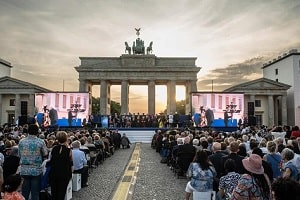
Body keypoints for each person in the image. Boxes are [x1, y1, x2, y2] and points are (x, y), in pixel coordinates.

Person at [18, 124, 48, 200]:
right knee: (35, 193)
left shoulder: (21, 141)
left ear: (28, 131)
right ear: (37, 132)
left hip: (24, 170)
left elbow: (19, 154)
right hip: (36, 170)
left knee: (24, 193)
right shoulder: (40, 142)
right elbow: (45, 153)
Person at [49, 131, 73, 200]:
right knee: (61, 193)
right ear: (66, 139)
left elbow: (51, 160)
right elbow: (71, 163)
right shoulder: (69, 150)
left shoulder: (54, 149)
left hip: (54, 172)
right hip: (64, 173)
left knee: (54, 193)